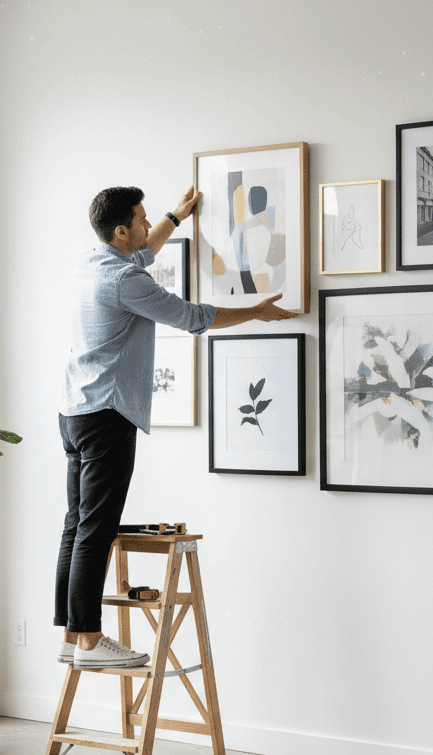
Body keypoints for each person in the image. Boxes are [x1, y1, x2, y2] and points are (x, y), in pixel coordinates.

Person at [55, 185, 297, 668]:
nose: (147, 229)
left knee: (77, 524)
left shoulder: (94, 263)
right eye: (141, 221)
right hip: (107, 416)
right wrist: (257, 311)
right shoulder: (125, 281)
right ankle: (87, 641)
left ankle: (70, 633)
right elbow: (191, 317)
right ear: (120, 230)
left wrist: (175, 216)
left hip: (74, 411)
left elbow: (144, 252)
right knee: (95, 530)